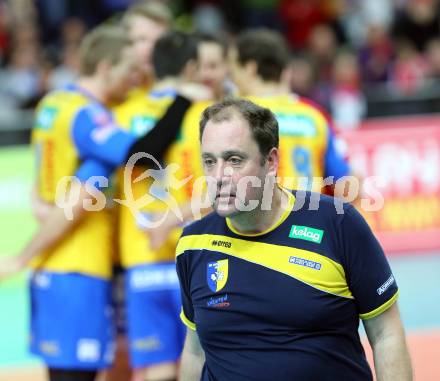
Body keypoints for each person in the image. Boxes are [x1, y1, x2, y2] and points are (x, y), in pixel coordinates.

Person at [0, 23, 195, 381]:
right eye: (129, 71)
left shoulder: (53, 103)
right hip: (79, 266)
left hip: (54, 266)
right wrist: (182, 101)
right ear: (106, 67)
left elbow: (46, 182)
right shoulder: (89, 118)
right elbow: (139, 154)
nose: (134, 80)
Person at [176, 98, 413, 380]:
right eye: (209, 161)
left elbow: (386, 334)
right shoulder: (193, 243)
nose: (218, 176)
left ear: (271, 161)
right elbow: (195, 351)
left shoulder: (338, 224)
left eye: (234, 160)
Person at [113, 29, 211, 381]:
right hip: (197, 256)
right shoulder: (209, 114)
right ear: (191, 67)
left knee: (155, 370)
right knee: (205, 362)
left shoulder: (124, 113)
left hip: (142, 260)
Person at [228, 28, 352, 195]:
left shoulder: (235, 115)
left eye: (233, 68)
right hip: (311, 216)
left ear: (250, 68)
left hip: (264, 218)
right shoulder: (313, 114)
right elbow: (345, 184)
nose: (230, 77)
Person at [194, 32, 232, 100]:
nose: (205, 74)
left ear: (228, 65)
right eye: (198, 66)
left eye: (213, 66)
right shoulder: (183, 99)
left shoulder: (241, 100)